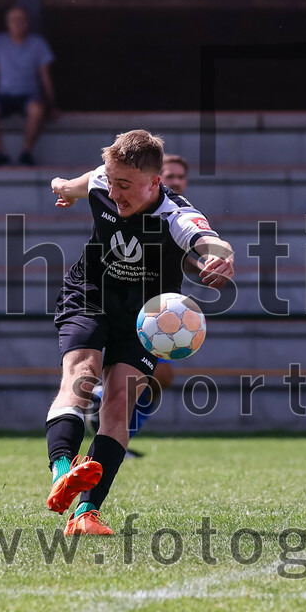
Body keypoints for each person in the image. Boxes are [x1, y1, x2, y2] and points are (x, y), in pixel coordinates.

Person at [45, 130, 234, 535]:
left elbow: (211, 242)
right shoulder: (103, 181)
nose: (114, 193)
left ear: (154, 182)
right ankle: (62, 471)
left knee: (118, 405)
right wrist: (62, 187)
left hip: (146, 316)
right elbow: (78, 184)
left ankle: (86, 514)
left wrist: (220, 260)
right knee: (81, 375)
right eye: (112, 181)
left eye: (125, 185)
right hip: (89, 295)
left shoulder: (175, 214)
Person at [84, 153, 192, 453]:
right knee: (150, 375)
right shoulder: (131, 205)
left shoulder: (178, 212)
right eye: (170, 176)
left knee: (160, 377)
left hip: (155, 304)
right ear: (154, 180)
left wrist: (206, 262)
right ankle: (103, 405)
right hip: (124, 300)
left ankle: (116, 433)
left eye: (181, 176)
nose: (176, 182)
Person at [0, 6, 58, 166]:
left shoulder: (38, 43)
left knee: (37, 109)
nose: (17, 23)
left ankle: (26, 152)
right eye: (13, 19)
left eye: (21, 19)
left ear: (27, 22)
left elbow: (45, 76)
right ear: (7, 22)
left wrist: (52, 104)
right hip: (2, 96)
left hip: (29, 95)